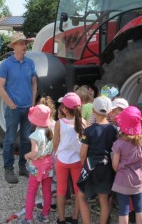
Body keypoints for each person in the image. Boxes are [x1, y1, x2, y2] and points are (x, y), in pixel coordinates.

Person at [0, 32, 37, 184]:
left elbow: (34, 83)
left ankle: (22, 166)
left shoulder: (30, 63)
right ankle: (8, 169)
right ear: (13, 46)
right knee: (10, 140)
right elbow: (0, 87)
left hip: (28, 108)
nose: (24, 46)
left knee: (26, 139)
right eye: (21, 43)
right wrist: (11, 104)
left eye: (25, 43)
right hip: (13, 109)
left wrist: (33, 101)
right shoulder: (6, 65)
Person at [77, 96, 118, 224]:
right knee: (104, 199)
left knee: (82, 195)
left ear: (93, 111)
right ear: (109, 111)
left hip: (90, 166)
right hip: (107, 167)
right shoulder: (113, 129)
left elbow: (83, 153)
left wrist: (83, 165)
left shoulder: (89, 130)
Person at [53, 92, 86, 224]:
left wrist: (58, 153)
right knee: (78, 190)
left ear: (65, 109)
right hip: (77, 160)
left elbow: (55, 143)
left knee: (61, 189)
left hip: (62, 160)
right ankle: (74, 218)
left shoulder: (59, 123)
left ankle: (61, 218)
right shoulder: (83, 122)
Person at [112, 106, 142, 224]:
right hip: (139, 178)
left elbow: (115, 165)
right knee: (139, 207)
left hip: (123, 179)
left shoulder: (119, 144)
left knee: (124, 210)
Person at [22, 105, 55, 224]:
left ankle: (28, 218)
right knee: (47, 190)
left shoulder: (35, 135)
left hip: (37, 166)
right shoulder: (51, 130)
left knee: (32, 191)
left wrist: (27, 155)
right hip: (49, 164)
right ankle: (45, 215)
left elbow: (34, 152)